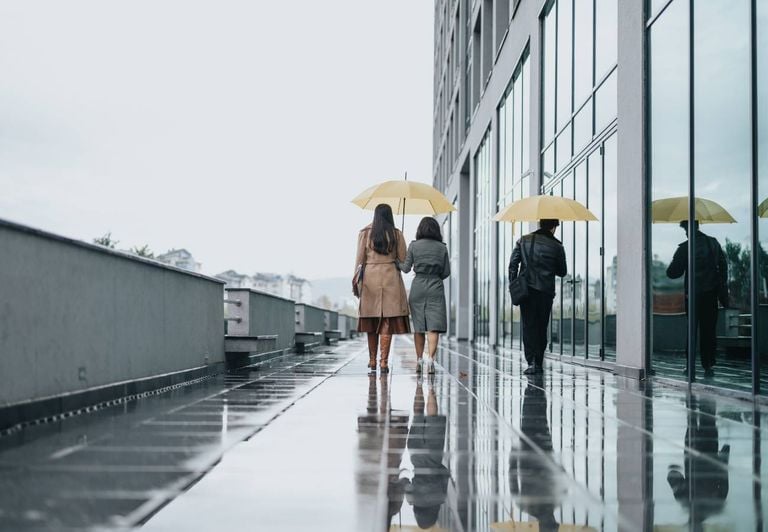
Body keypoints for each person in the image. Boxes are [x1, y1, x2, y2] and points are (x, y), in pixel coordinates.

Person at [666, 220, 728, 378]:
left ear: (687, 230)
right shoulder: (713, 243)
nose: (686, 234)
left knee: (692, 330)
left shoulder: (685, 248)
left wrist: (676, 259)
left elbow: (673, 273)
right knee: (709, 330)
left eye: (685, 230)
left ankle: (690, 365)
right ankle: (708, 365)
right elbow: (723, 266)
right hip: (711, 294)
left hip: (693, 295)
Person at [355, 204, 411, 373]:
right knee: (387, 321)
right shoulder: (396, 234)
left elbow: (359, 261)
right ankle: (383, 362)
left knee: (371, 320)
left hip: (370, 279)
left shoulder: (365, 233)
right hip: (391, 279)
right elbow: (403, 259)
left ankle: (372, 361)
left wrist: (357, 284)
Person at [508, 219, 567, 375]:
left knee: (529, 326)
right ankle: (538, 362)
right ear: (553, 227)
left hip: (526, 290)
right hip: (546, 292)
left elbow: (513, 264)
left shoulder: (523, 240)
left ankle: (532, 362)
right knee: (542, 327)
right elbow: (562, 271)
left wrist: (513, 284)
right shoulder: (557, 246)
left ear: (540, 224)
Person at [398, 217, 450, 374]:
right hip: (436, 287)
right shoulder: (442, 248)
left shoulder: (414, 246)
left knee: (419, 327)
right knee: (433, 328)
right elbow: (446, 272)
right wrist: (434, 276)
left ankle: (419, 360)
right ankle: (431, 361)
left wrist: (397, 261)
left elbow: (406, 268)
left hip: (418, 287)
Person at [404, 378, 449, 528]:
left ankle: (430, 389)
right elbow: (404, 482)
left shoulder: (440, 497)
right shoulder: (412, 500)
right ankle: (419, 388)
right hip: (415, 455)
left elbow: (445, 474)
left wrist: (437, 467)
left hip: (434, 454)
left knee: (432, 417)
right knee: (417, 415)